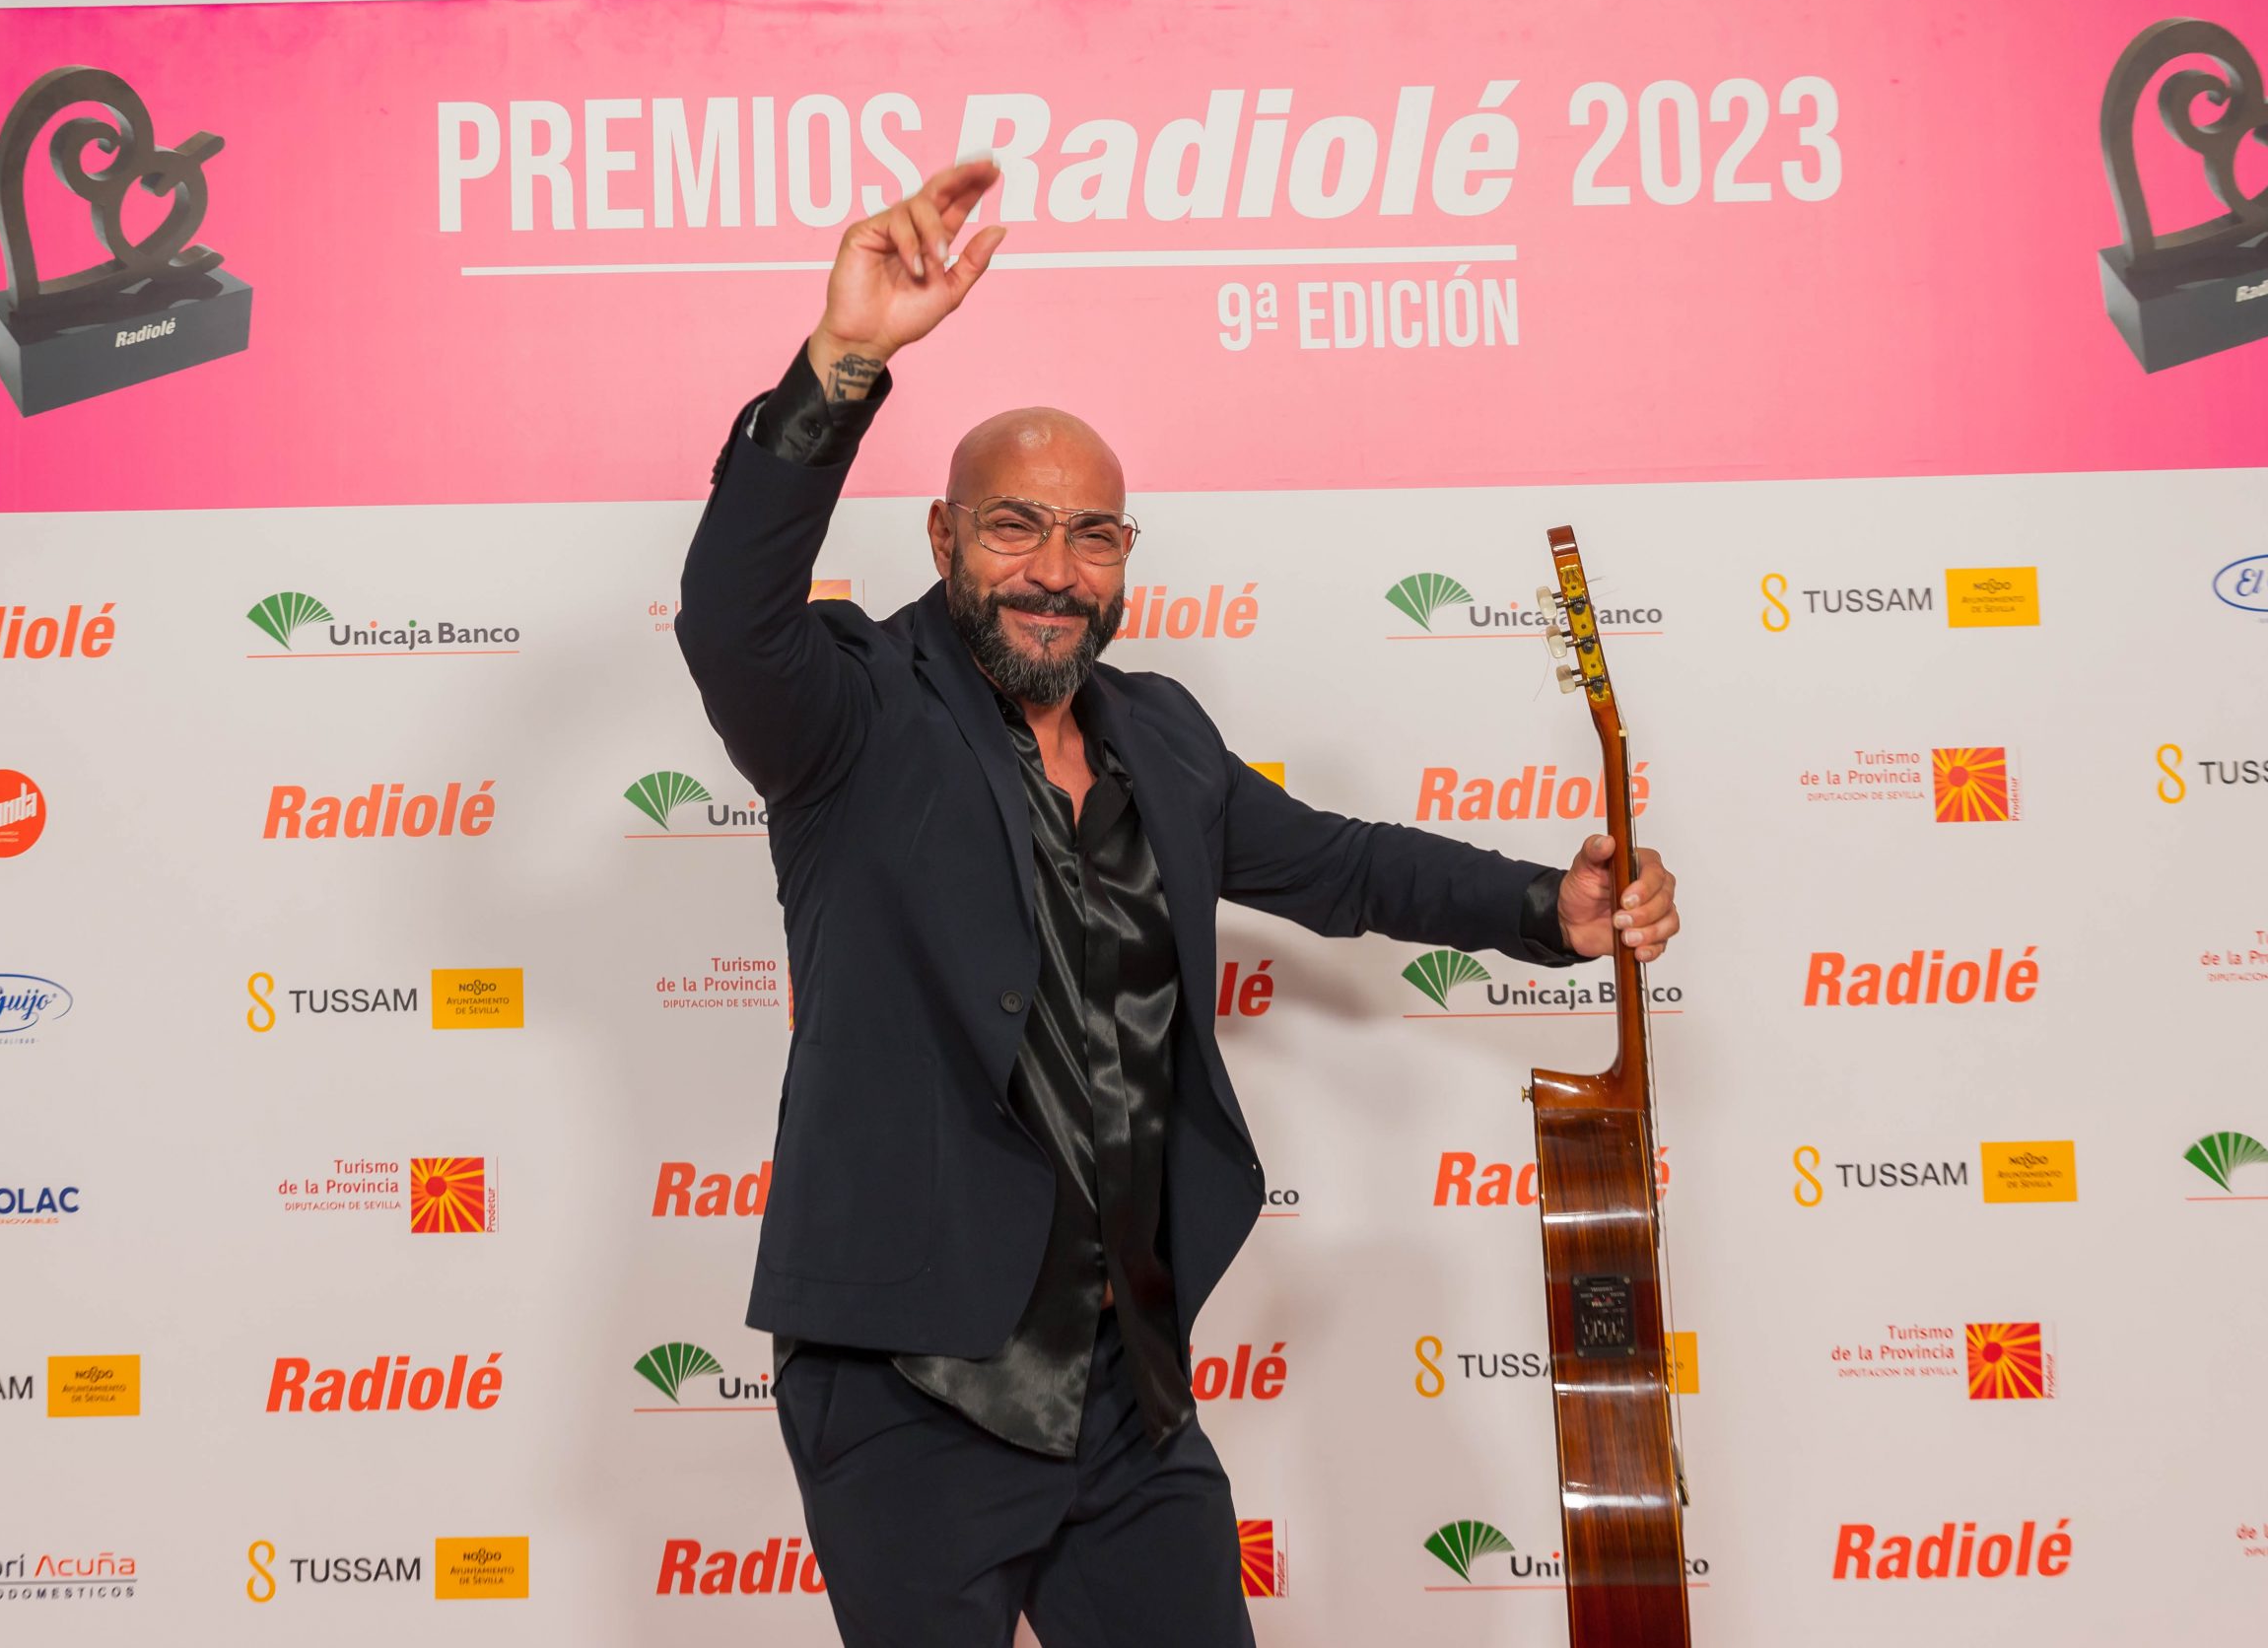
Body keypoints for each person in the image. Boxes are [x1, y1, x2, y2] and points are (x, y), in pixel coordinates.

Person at [677, 158, 1682, 1648]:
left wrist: (1552, 907)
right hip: (910, 1380)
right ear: (942, 540)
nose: (1056, 573)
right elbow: (727, 613)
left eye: (1094, 538)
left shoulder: (1163, 737)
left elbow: (1340, 865)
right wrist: (844, 360)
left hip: (1126, 1389)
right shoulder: (852, 713)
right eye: (1015, 528)